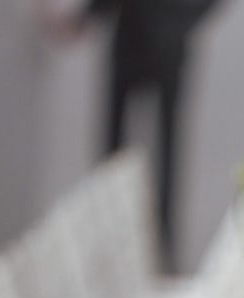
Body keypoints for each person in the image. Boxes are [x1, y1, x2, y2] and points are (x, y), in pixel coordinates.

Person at [66, 1, 226, 268]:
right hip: (129, 36)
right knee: (111, 156)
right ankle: (105, 244)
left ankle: (164, 250)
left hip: (171, 43)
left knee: (167, 155)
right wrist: (90, 14)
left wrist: (185, 21)